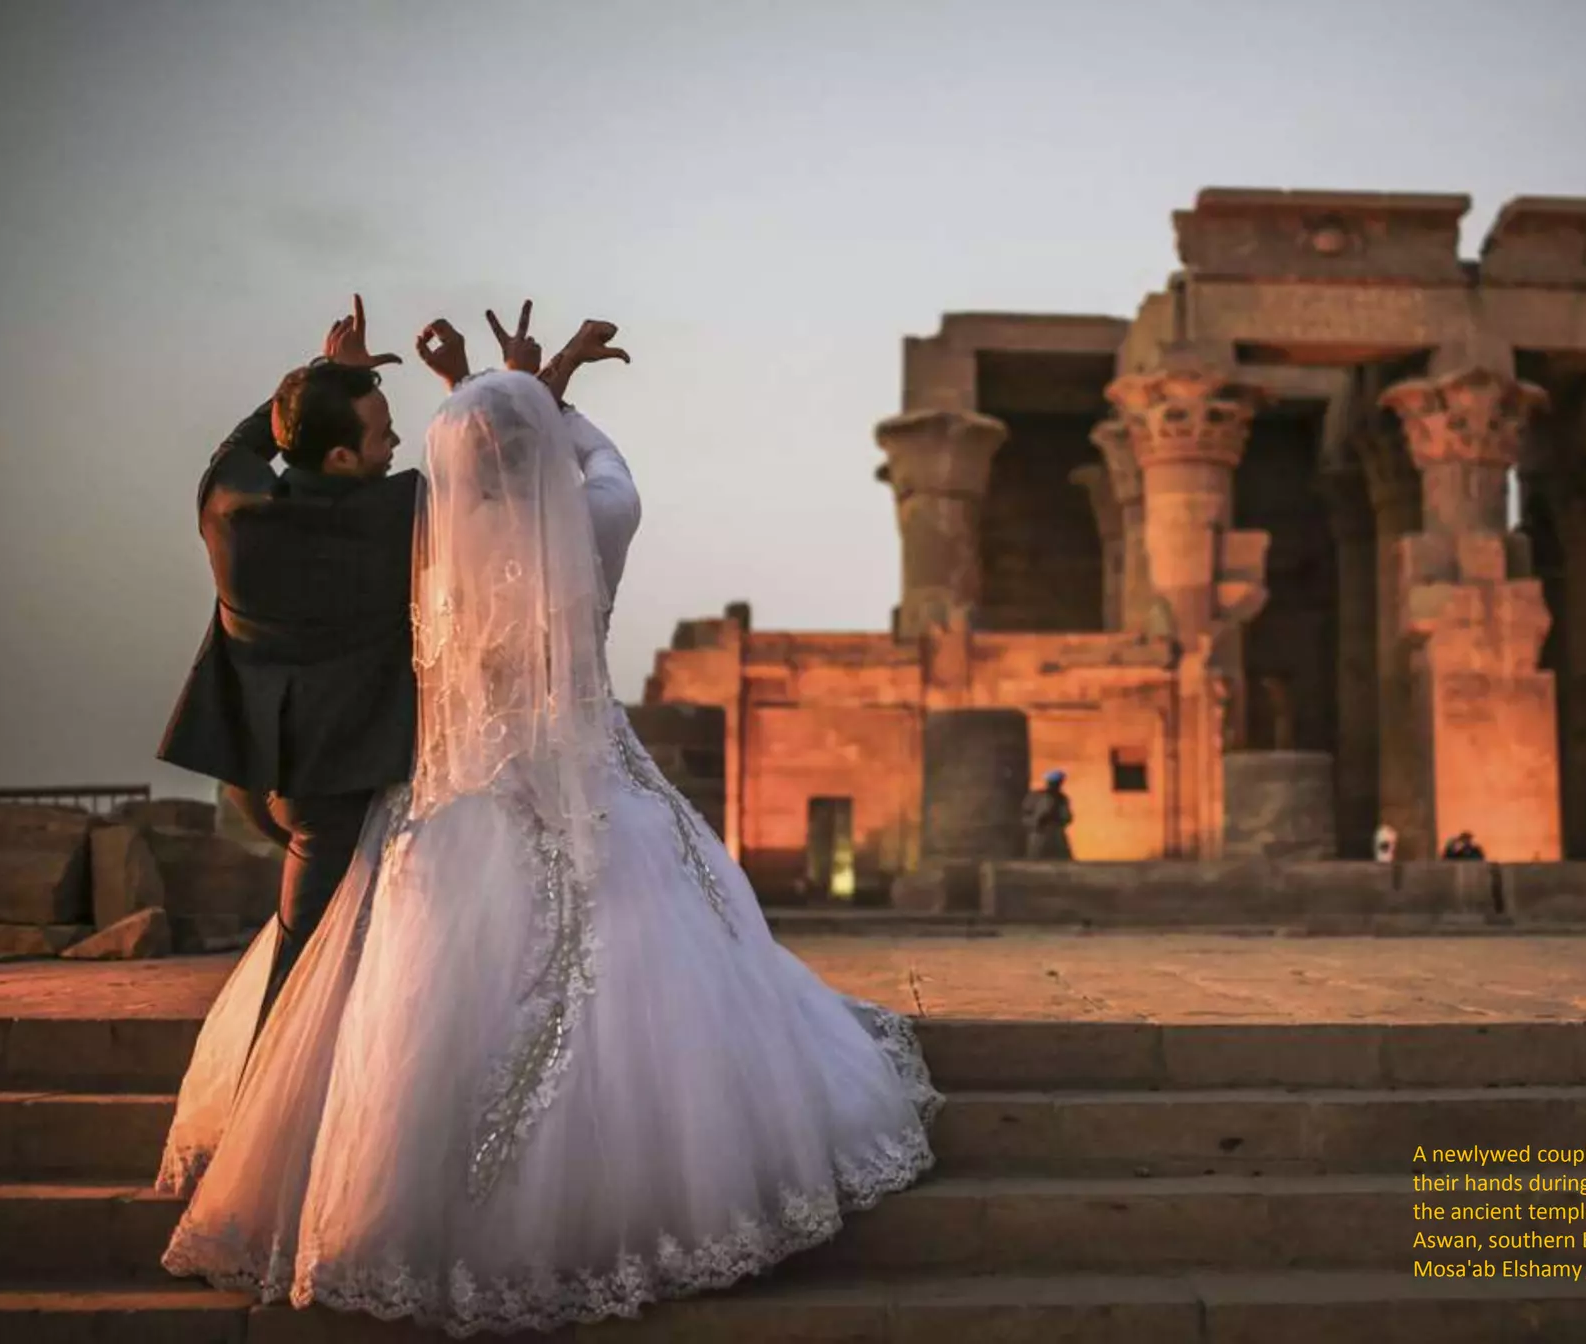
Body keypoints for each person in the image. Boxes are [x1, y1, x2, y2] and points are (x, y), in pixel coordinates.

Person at [155, 326, 939, 1338]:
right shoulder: (593, 520)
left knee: (383, 987)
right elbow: (604, 464)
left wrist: (475, 397)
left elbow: (432, 466)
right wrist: (545, 393)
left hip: (444, 803)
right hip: (583, 786)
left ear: (448, 457)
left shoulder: (415, 529)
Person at [156, 296, 419, 1041]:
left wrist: (326, 374)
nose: (396, 441)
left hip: (251, 772)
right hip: (328, 791)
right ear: (340, 459)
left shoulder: (231, 506)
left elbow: (242, 442)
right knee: (301, 982)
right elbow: (492, 472)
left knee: (332, 949)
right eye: (381, 434)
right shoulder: (392, 518)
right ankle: (265, 1133)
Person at [1021, 769, 1074, 859]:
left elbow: (1067, 817)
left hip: (1054, 833)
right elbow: (1026, 813)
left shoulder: (1062, 799)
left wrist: (1057, 820)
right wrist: (1037, 821)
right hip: (1039, 834)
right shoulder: (1036, 796)